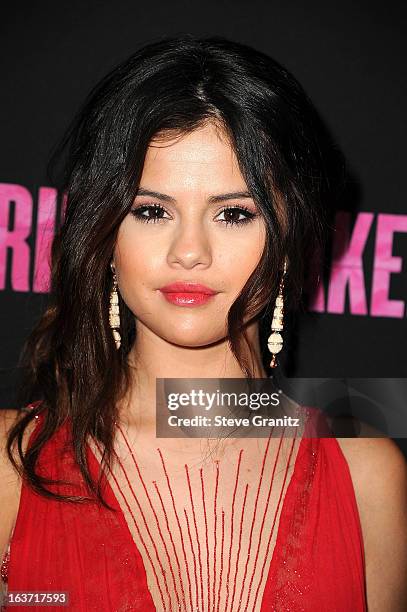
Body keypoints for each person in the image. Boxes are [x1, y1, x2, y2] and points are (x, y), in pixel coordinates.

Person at [0, 34, 406, 612]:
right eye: (152, 210)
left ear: (290, 240)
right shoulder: (11, 467)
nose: (189, 250)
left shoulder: (364, 465)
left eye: (234, 213)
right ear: (105, 232)